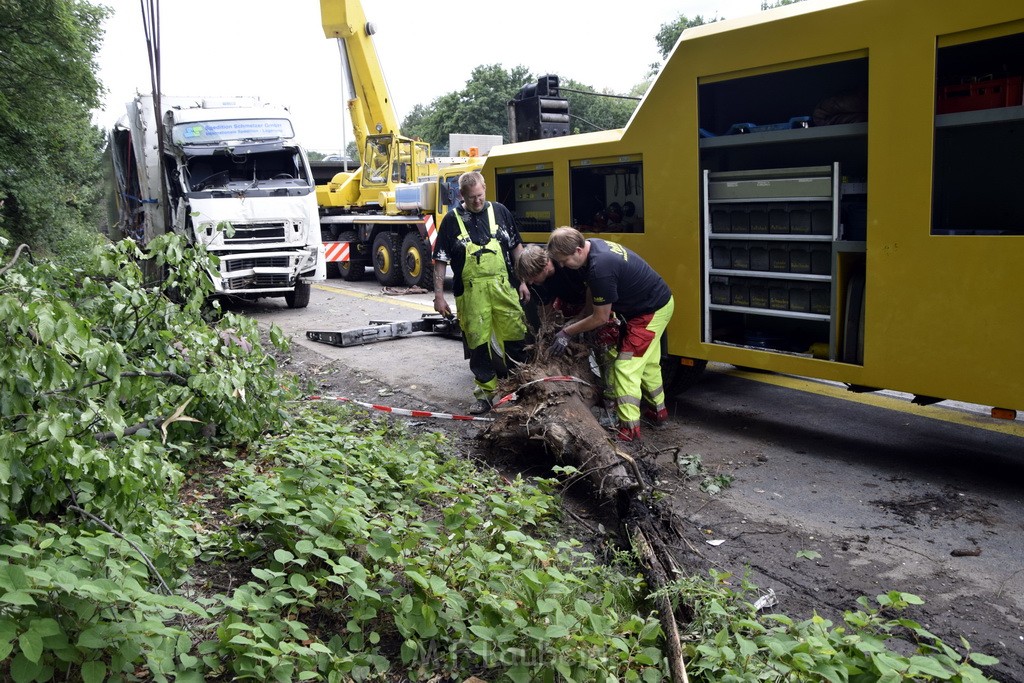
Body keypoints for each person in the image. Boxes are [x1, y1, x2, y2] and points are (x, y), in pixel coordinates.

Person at [546, 226, 674, 441]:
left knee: (625, 367)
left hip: (649, 312)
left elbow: (600, 318)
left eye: (564, 260)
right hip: (654, 303)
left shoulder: (600, 269)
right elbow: (593, 294)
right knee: (648, 364)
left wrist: (566, 332)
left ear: (578, 250)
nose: (561, 265)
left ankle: (629, 429)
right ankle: (658, 412)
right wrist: (581, 315)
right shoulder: (593, 245)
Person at [433, 171, 529, 415]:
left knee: (516, 338)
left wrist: (524, 281)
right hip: (471, 293)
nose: (477, 201)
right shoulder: (451, 220)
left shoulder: (500, 212)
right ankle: (485, 394)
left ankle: (520, 389)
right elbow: (440, 260)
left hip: (504, 288)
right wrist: (439, 296)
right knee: (478, 343)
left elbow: (516, 248)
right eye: (471, 197)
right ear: (461, 195)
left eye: (480, 195)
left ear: (484, 188)